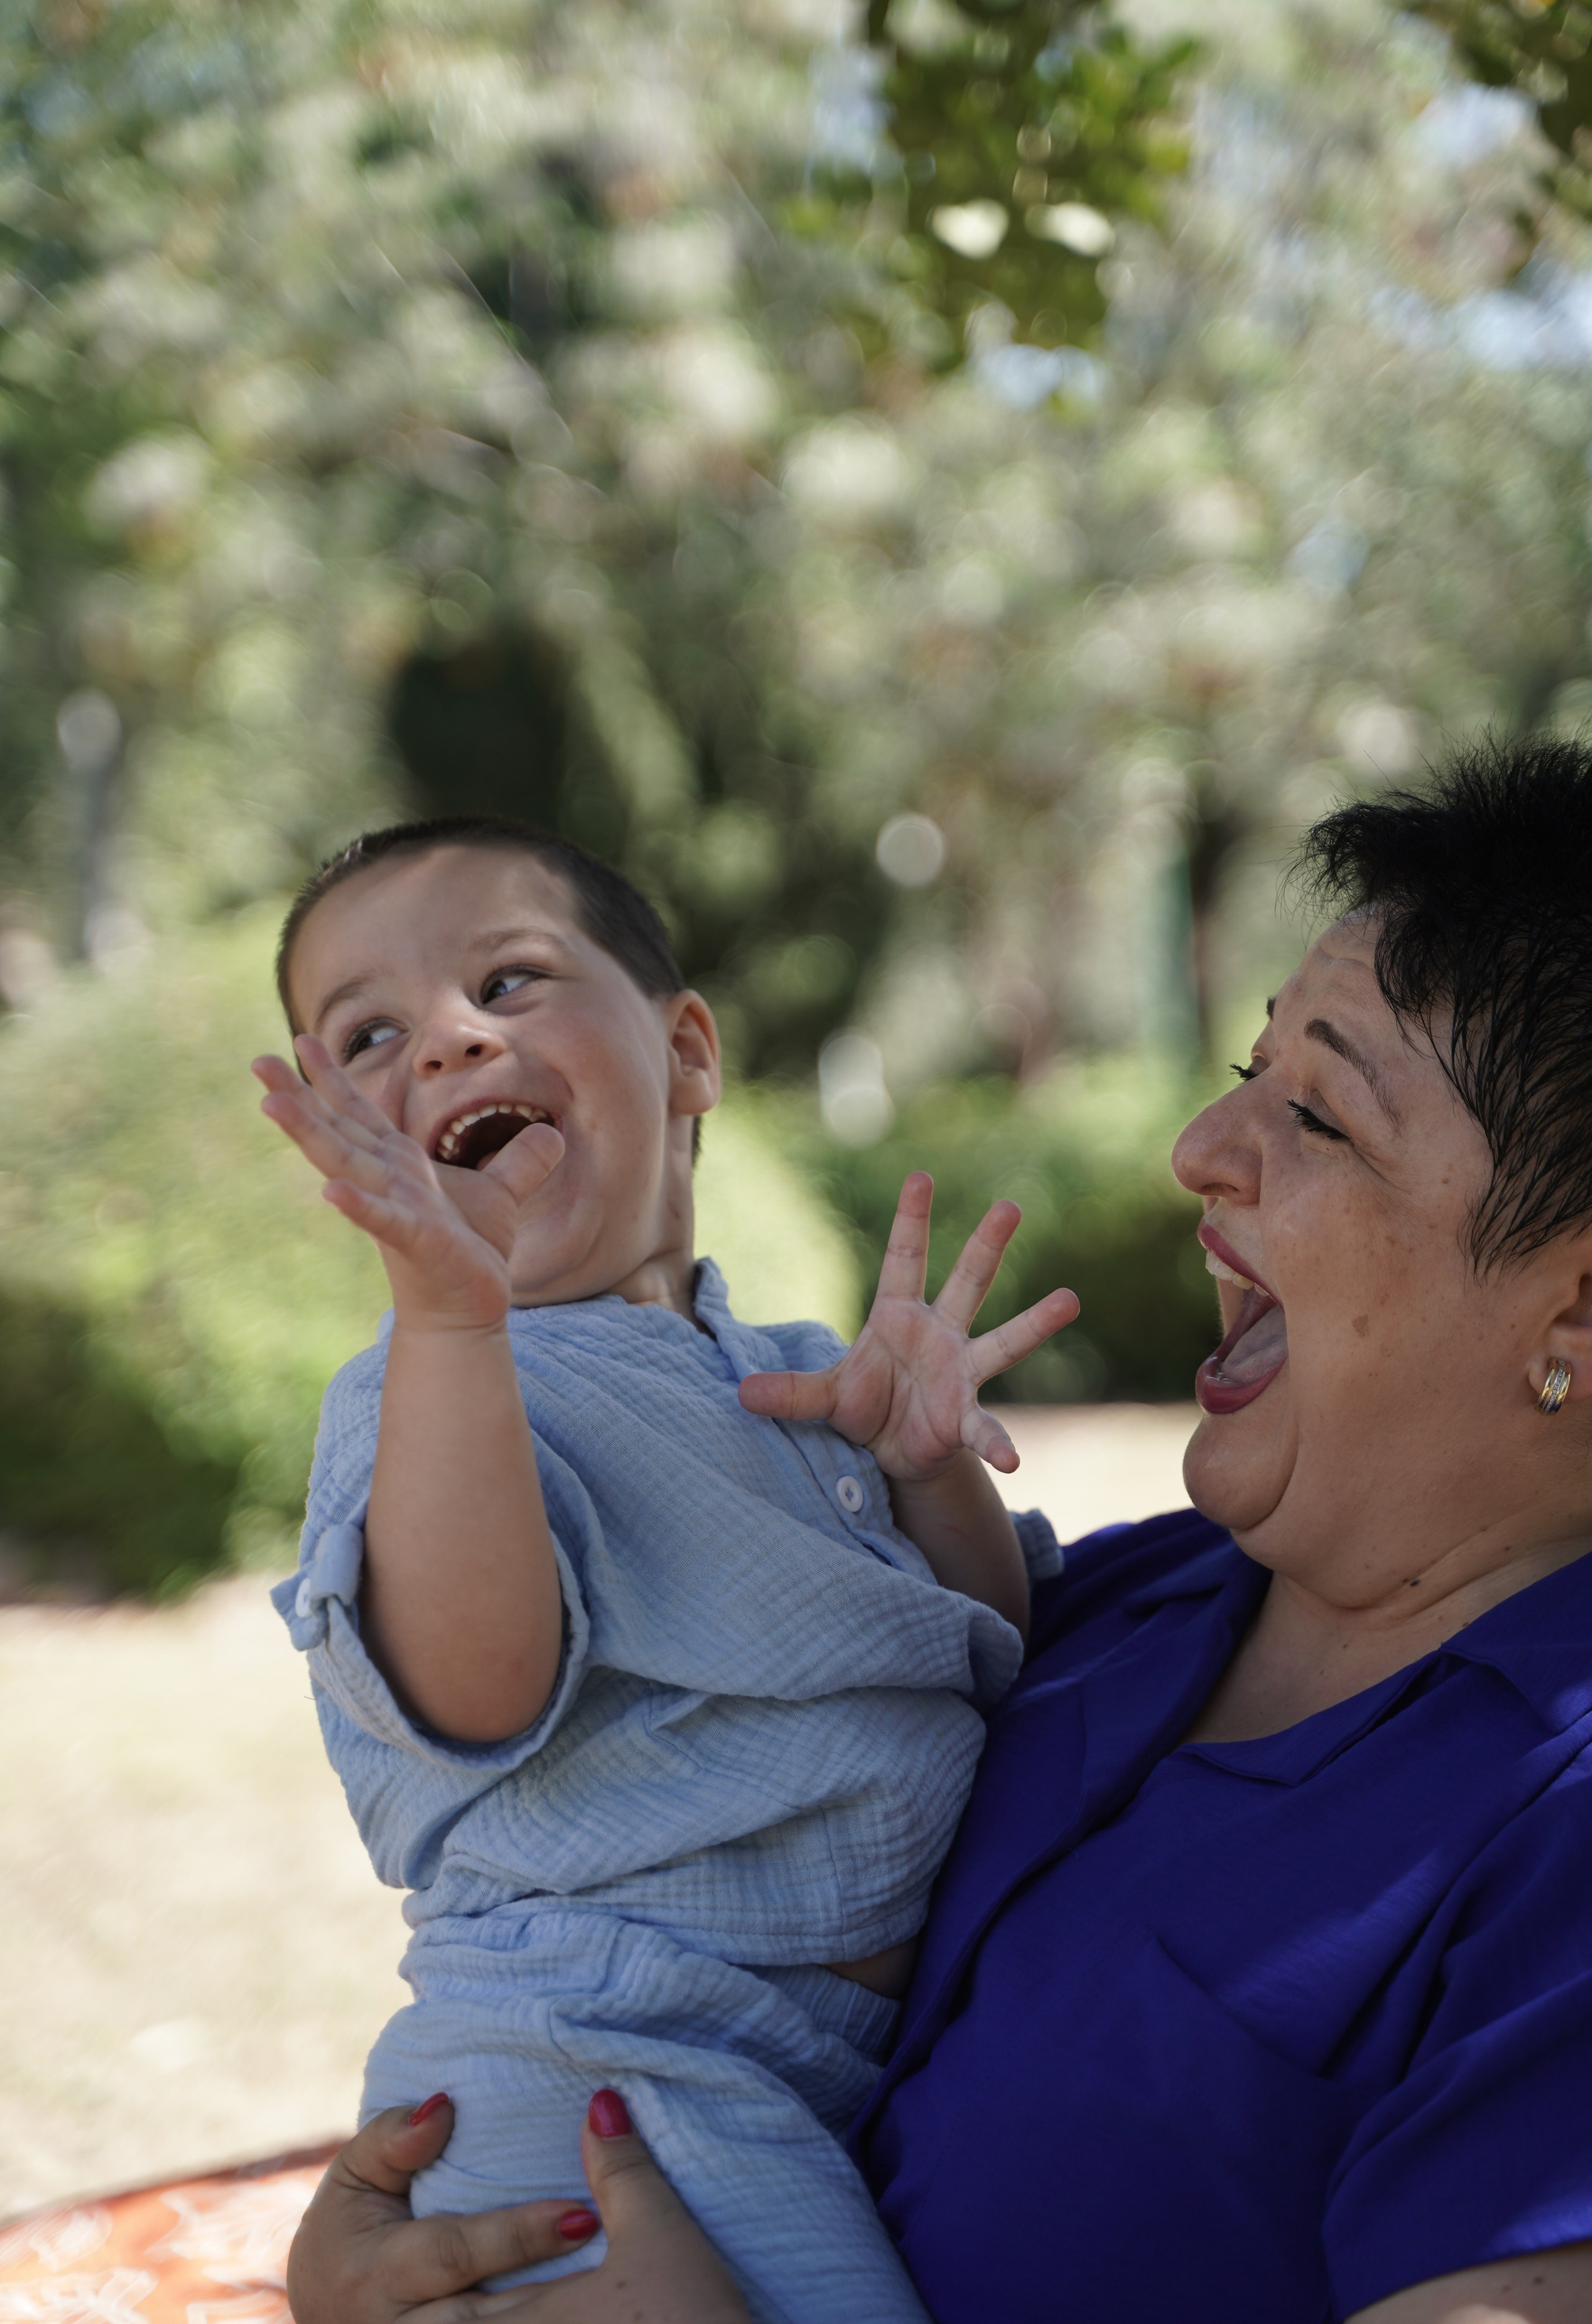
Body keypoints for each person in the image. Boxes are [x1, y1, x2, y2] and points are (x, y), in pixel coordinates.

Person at [287, 741, 1592, 2324]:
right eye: (1250, 1067)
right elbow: (514, 1708)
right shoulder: (1152, 1600)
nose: (1199, 1145)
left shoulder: (1548, 1827)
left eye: (1317, 1115)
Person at [254, 819, 1078, 2324]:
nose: (444, 1039)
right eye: (368, 1033)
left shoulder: (798, 1376)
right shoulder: (441, 1391)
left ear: (687, 1050)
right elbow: (476, 1686)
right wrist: (448, 1320)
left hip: (780, 2064)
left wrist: (925, 1465)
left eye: (507, 980)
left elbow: (977, 1645)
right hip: (590, 2070)